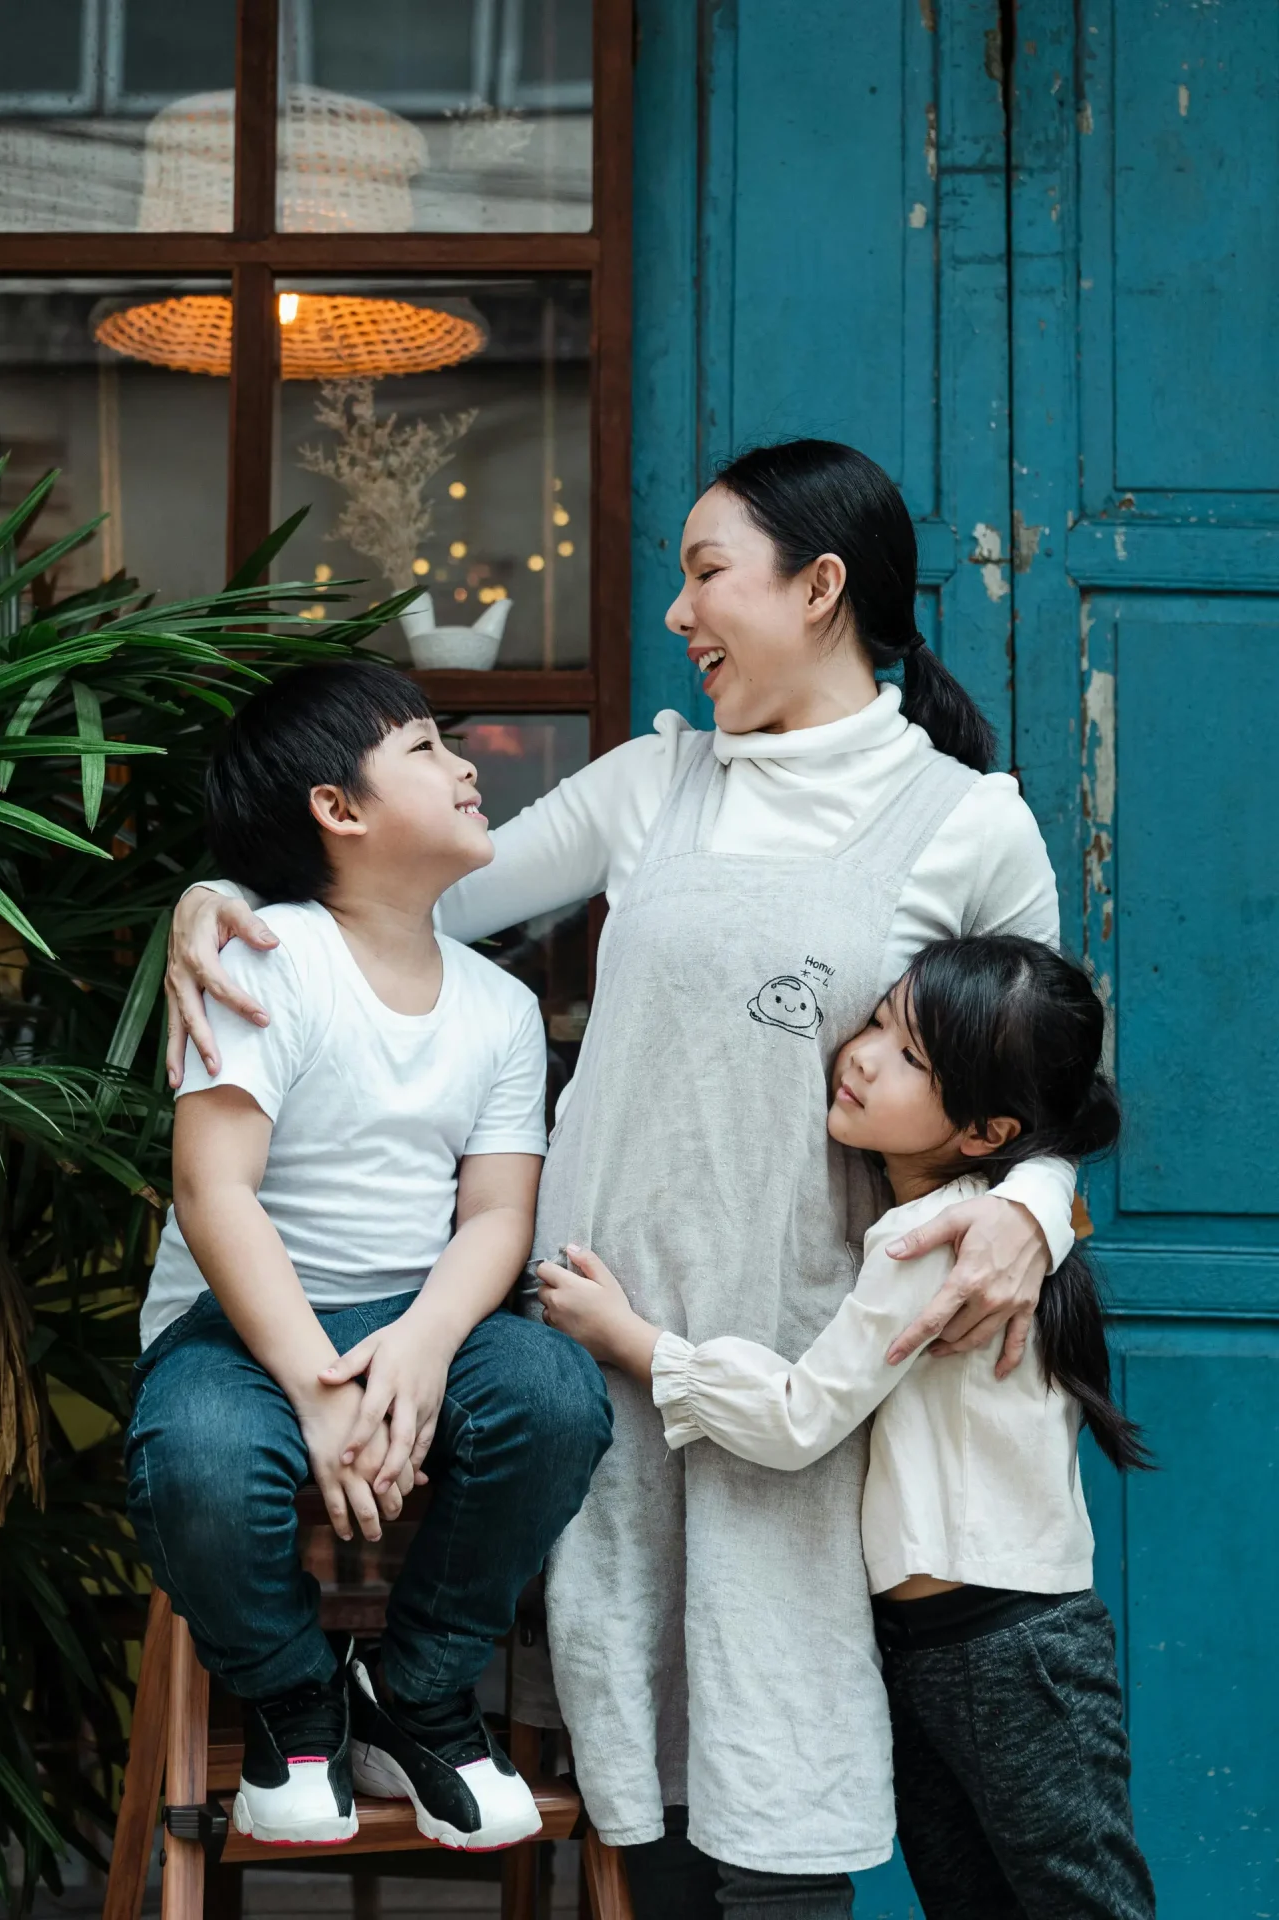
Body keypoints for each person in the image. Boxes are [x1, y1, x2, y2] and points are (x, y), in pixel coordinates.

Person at [166, 441, 1077, 1917]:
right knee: (621, 1765)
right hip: (595, 1331)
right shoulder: (657, 780)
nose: (678, 613)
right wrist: (215, 904)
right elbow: (394, 894)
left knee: (781, 1763)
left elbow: (1050, 1091)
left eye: (708, 572)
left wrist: (1030, 1217)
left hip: (789, 1360)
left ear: (822, 587)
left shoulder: (967, 823)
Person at [538, 934, 1156, 1920]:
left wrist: (633, 1341)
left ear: (985, 1128)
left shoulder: (940, 1237)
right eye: (875, 1021)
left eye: (910, 1056)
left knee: (1077, 1904)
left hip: (1008, 1639)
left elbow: (798, 1419)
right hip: (932, 1641)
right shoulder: (955, 1214)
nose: (861, 1054)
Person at [126, 661, 612, 1852]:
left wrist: (426, 1346)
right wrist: (312, 1384)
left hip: (413, 1313)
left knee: (553, 1396)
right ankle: (299, 1702)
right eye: (426, 748)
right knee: (193, 1458)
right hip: (246, 1331)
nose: (465, 767)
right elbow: (213, 1188)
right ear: (338, 811)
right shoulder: (265, 955)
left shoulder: (497, 1007)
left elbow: (497, 1215)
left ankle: (418, 1686)